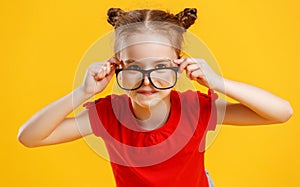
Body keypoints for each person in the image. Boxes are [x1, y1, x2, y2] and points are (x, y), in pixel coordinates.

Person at [17, 8, 293, 187]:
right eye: (135, 67)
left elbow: (282, 113)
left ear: (178, 66)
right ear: (117, 67)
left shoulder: (194, 108)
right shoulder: (107, 114)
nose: (147, 81)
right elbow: (29, 137)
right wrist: (83, 92)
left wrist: (218, 82)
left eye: (160, 67)